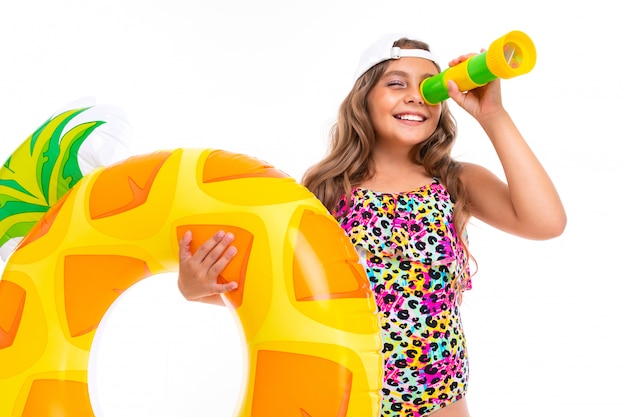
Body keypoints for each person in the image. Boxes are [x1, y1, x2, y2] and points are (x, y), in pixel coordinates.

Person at [177, 33, 567, 417]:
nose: (416, 96)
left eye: (429, 88)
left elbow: (547, 222)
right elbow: (283, 288)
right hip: (343, 398)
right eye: (396, 83)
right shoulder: (326, 190)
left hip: (439, 404)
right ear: (363, 97)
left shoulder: (455, 181)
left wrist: (493, 116)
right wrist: (199, 288)